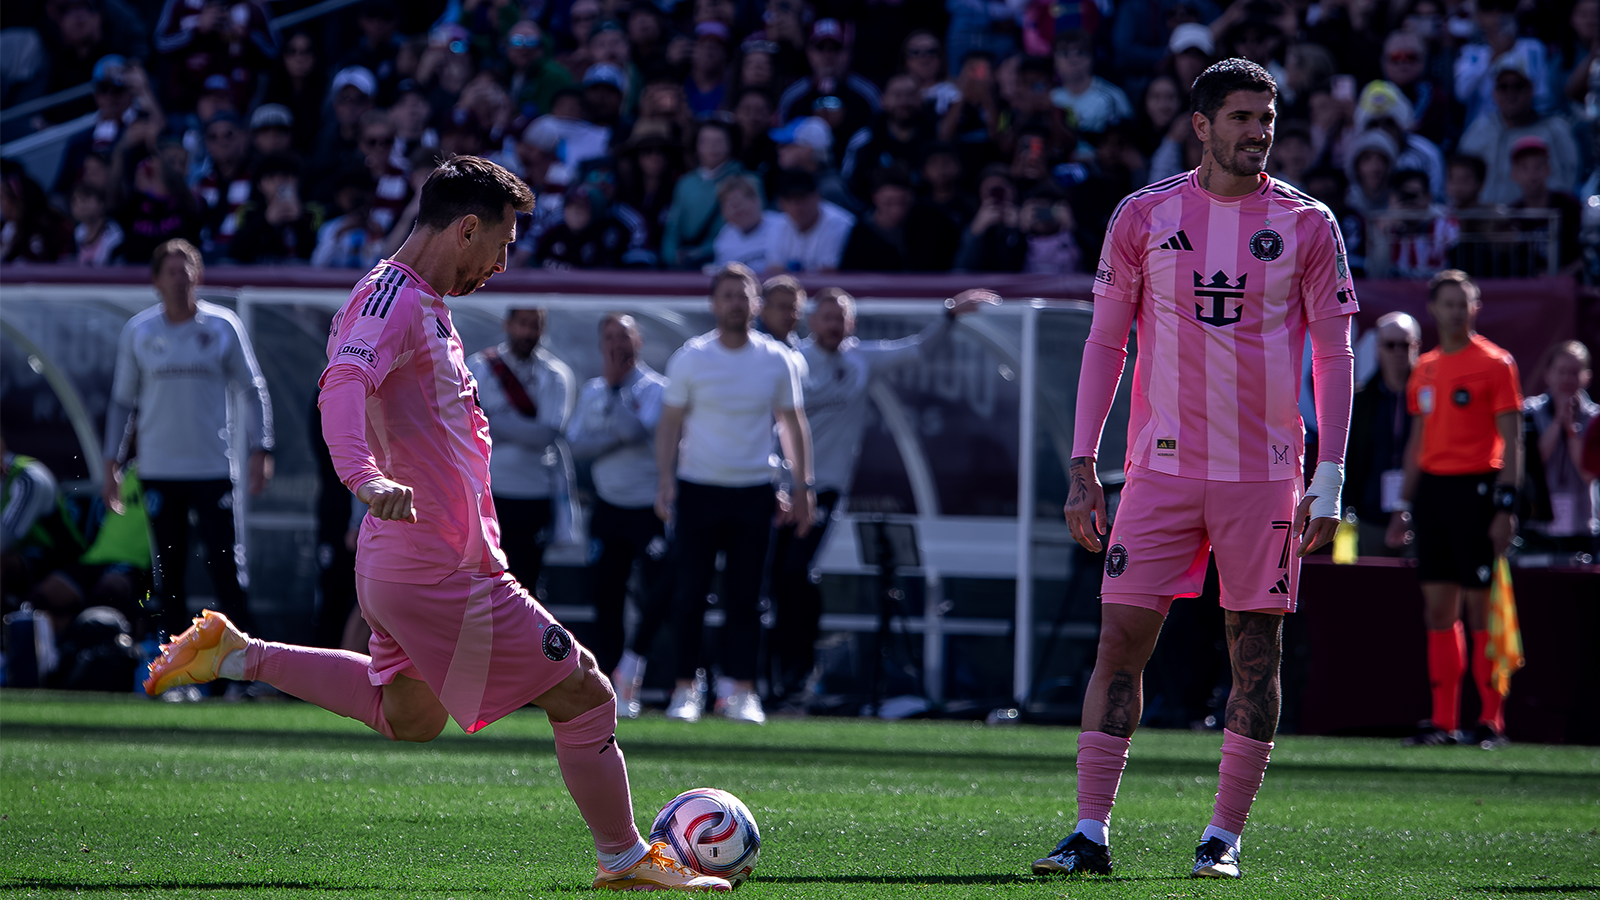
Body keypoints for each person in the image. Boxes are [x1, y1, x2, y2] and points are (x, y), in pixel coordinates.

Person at [142, 156, 731, 893]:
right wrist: (364, 476)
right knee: (586, 692)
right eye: (503, 244)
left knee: (410, 714)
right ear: (466, 228)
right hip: (437, 566)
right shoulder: (388, 299)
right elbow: (342, 387)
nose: (503, 263)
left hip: (413, 559)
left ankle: (238, 655)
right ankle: (625, 859)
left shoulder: (415, 298)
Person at [1033, 59, 1356, 881]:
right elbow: (1106, 344)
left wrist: (1332, 477)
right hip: (1159, 473)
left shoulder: (1309, 224)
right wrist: (1083, 464)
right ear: (1202, 125)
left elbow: (1334, 353)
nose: (1259, 132)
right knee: (1120, 641)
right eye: (1243, 117)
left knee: (1255, 650)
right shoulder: (1144, 216)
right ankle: (1089, 832)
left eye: (1267, 118)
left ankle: (1223, 837)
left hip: (1264, 477)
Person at [768, 286, 993, 705]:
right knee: (774, 580)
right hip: (776, 487)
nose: (834, 325)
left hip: (824, 489)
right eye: (827, 317)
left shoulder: (860, 359)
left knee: (794, 573)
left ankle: (796, 675)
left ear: (851, 324)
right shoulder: (790, 360)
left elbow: (918, 350)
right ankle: (766, 678)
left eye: (842, 318)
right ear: (811, 321)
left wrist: (948, 313)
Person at [654, 262, 812, 726]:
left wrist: (803, 487)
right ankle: (686, 688)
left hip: (753, 492)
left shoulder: (776, 358)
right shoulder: (691, 356)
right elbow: (669, 424)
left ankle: (742, 690)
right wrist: (665, 481)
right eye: (727, 296)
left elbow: (792, 423)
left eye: (743, 296)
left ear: (755, 304)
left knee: (748, 598)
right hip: (698, 490)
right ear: (713, 303)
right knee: (690, 594)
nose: (735, 304)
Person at [103, 239, 273, 650]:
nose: (180, 280)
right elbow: (122, 403)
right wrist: (111, 461)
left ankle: (242, 672)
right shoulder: (140, 332)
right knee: (168, 575)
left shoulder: (222, 326)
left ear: (198, 275)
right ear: (156, 280)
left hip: (212, 469)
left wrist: (261, 447)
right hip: (160, 471)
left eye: (187, 270)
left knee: (225, 569)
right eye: (171, 272)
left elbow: (252, 389)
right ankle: (173, 671)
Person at [1390, 270, 1523, 750]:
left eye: (1462, 302)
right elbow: (1417, 442)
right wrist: (1403, 504)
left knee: (1481, 606)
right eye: (1447, 303)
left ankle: (1491, 721)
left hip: (1478, 490)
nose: (1455, 311)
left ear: (1475, 306)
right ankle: (1443, 721)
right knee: (1438, 609)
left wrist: (1506, 506)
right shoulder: (1424, 367)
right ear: (1433, 308)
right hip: (1432, 494)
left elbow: (1512, 441)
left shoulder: (1495, 362)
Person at [565, 314, 669, 711]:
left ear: (638, 342)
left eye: (623, 337)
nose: (617, 345)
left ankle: (639, 670)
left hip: (648, 507)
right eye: (608, 338)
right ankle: (609, 681)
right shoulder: (593, 390)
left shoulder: (658, 388)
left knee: (657, 595)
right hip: (608, 507)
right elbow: (576, 446)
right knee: (605, 595)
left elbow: (639, 432)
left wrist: (614, 397)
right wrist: (613, 427)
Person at [467, 307, 575, 598]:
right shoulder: (479, 367)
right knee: (484, 582)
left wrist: (493, 421)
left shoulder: (556, 374)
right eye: (523, 324)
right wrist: (521, 428)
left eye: (535, 326)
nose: (528, 333)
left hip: (534, 495)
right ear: (507, 324)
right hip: (490, 494)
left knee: (527, 584)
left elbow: (546, 435)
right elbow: (467, 427)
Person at [1346, 313, 1421, 557]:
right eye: (1390, 345)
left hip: (1420, 516)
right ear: (1378, 348)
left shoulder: (1431, 399)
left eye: (1405, 344)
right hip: (1371, 514)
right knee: (1372, 589)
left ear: (1416, 347)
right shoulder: (1361, 400)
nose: (1398, 351)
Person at [1520, 341, 1597, 556]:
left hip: (1582, 523)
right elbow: (1531, 465)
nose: (1566, 379)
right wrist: (1556, 423)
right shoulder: (1530, 412)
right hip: (1537, 526)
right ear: (1548, 374)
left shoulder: (1594, 419)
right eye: (1561, 372)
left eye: (1573, 372)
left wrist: (1571, 430)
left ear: (1586, 376)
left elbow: (1588, 473)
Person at [764, 168, 854, 275]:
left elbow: (828, 274)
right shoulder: (778, 226)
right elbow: (774, 271)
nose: (797, 207)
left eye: (802, 198)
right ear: (781, 203)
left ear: (817, 195)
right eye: (790, 200)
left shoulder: (840, 225)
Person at [711, 175, 783, 272]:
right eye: (731, 205)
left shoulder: (783, 225)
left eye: (741, 201)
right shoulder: (724, 237)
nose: (738, 208)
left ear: (757, 200)